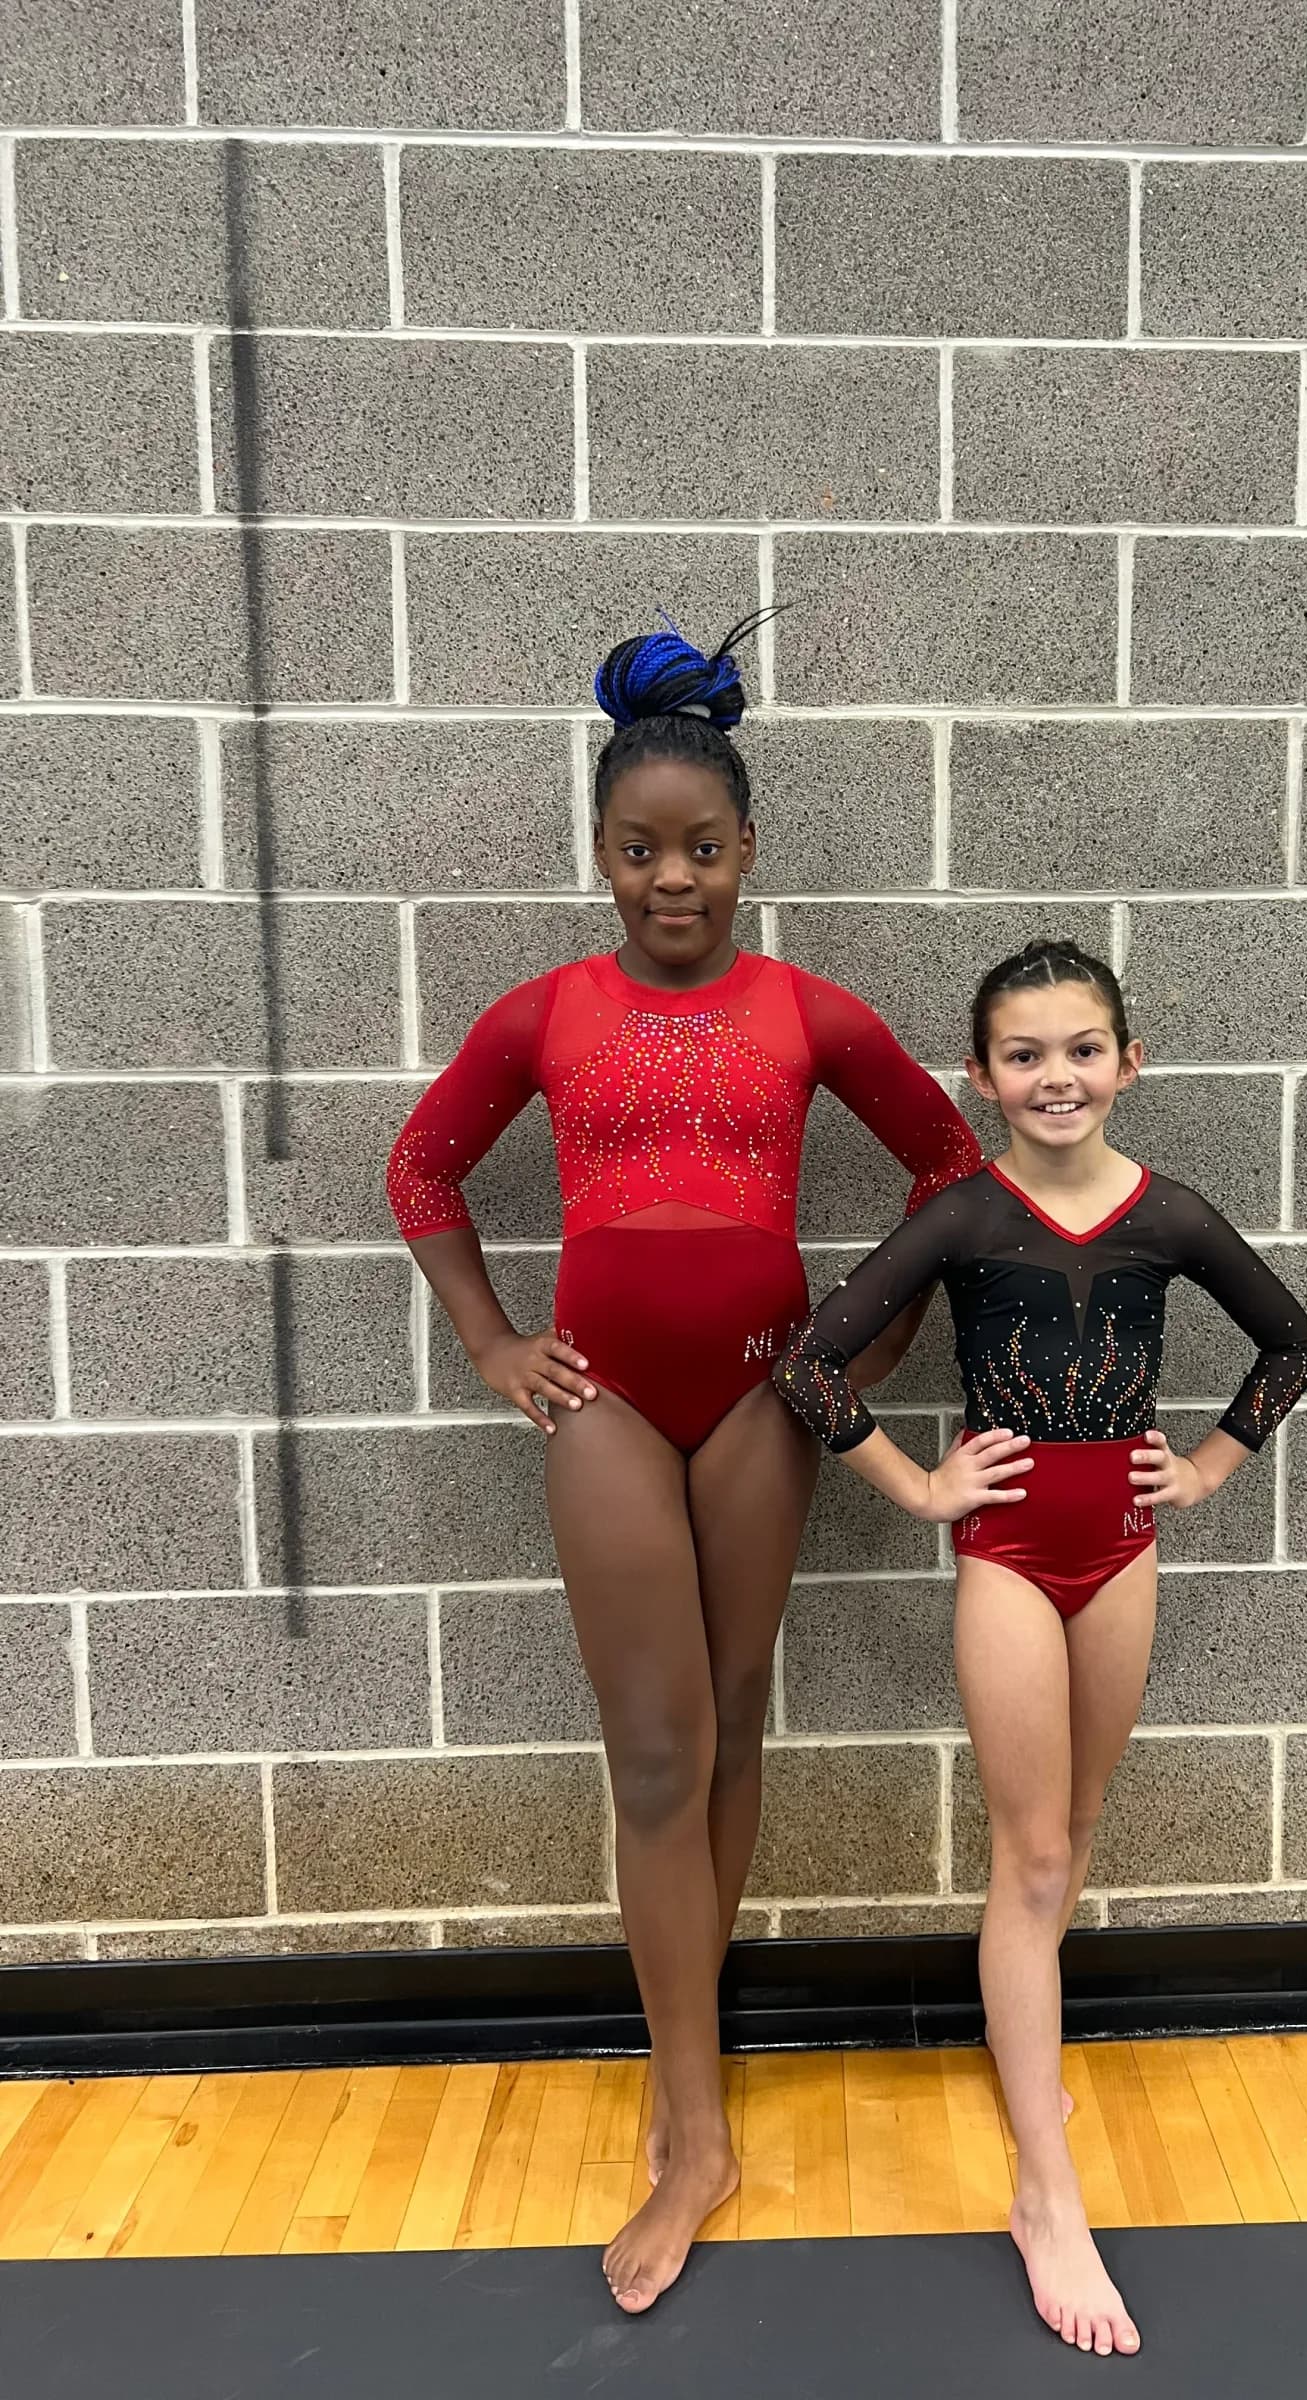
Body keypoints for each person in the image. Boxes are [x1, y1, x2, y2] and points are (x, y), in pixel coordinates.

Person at [385, 615, 980, 2313]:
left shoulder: (806, 1010)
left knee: (733, 1708)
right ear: (598, 853)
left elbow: (948, 1176)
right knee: (656, 1747)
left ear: (747, 853)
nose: (673, 881)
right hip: (613, 1410)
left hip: (754, 1401)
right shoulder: (549, 1010)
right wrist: (498, 1346)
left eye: (702, 851)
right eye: (640, 851)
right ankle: (692, 2117)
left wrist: (851, 1362)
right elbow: (422, 1168)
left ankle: (690, 2075)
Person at [776, 937, 1307, 2356]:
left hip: (1122, 1553)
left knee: (1072, 1832)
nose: (1056, 1075)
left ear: (1128, 1063)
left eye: (1083, 1048)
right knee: (1027, 1858)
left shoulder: (1172, 1215)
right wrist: (921, 1486)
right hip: (1011, 1559)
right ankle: (1045, 2182)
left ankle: (1032, 2074)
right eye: (1025, 1054)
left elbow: (1291, 1344)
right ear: (984, 1075)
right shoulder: (965, 1216)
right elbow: (808, 1361)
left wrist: (1204, 1469)